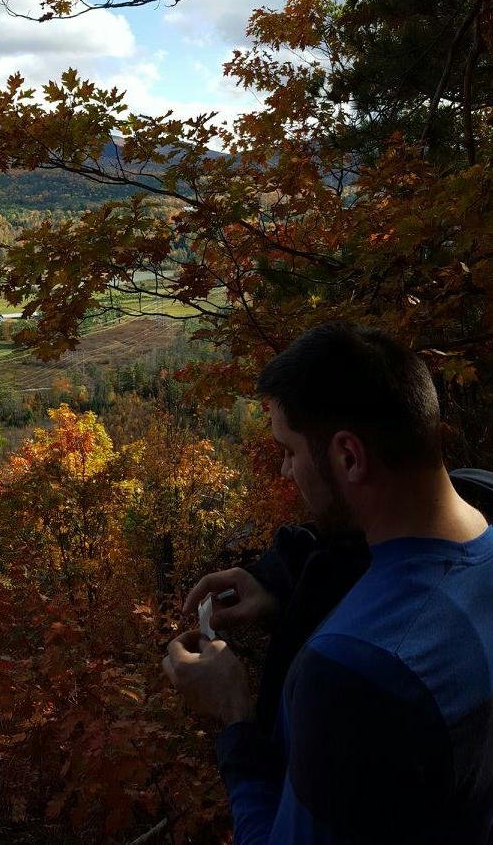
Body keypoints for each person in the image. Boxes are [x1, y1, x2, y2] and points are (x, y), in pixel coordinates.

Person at [164, 322, 493, 842]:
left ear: (348, 456)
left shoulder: (354, 672)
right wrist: (278, 589)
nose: (283, 471)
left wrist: (234, 717)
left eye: (289, 450)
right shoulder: (478, 527)